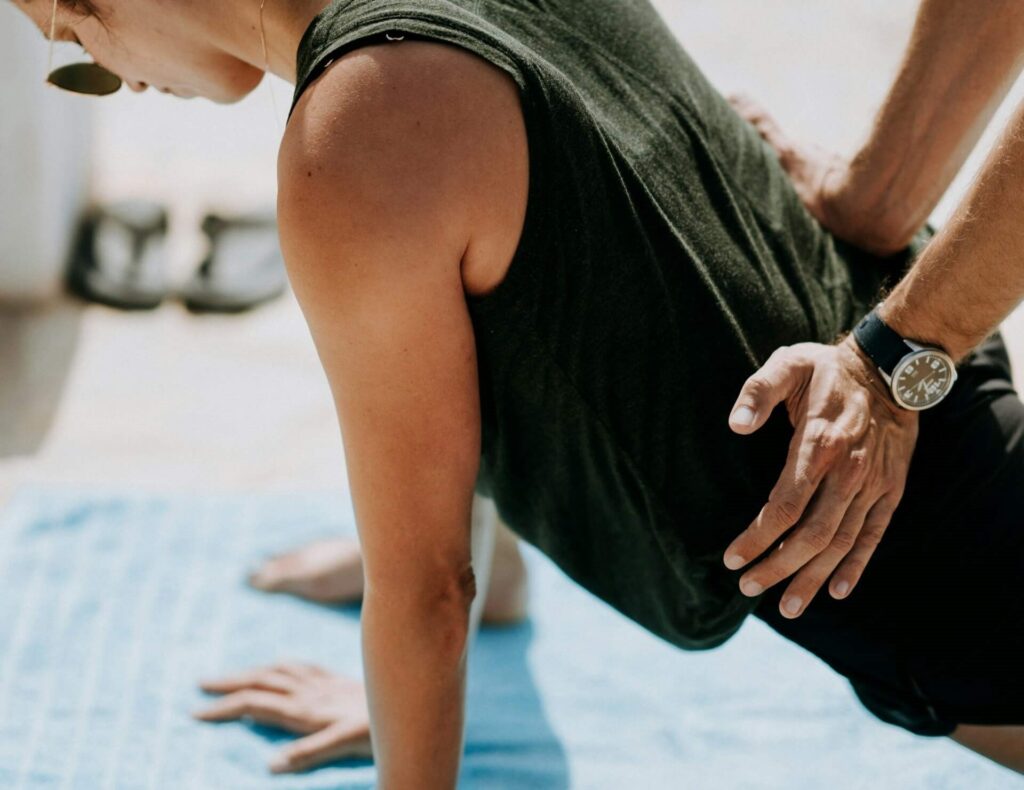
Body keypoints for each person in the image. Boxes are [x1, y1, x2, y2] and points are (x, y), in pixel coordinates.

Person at [16, 0, 1023, 782]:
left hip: (934, 589)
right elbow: (547, 300)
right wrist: (458, 625)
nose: (121, 82)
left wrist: (415, 707)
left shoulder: (355, 145)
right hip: (937, 394)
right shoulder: (416, 77)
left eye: (74, 57)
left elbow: (422, 590)